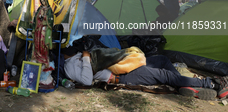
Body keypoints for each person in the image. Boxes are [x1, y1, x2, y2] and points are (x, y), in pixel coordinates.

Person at [62, 47, 228, 100]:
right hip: (123, 75)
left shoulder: (72, 57)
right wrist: (85, 58)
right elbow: (86, 81)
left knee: (162, 59)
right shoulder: (68, 68)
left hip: (126, 64)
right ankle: (213, 84)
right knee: (165, 75)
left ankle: (183, 84)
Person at [31, 0, 54, 69]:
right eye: (41, 1)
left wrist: (45, 18)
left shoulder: (49, 10)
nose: (43, 3)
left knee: (43, 43)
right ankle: (36, 56)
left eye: (44, 1)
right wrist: (39, 17)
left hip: (45, 29)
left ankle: (43, 58)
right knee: (37, 42)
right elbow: (36, 18)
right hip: (38, 28)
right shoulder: (39, 9)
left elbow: (51, 20)